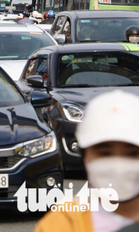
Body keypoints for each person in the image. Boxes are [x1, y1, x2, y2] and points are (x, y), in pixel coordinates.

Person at [35, 90, 139, 231]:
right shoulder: (62, 224)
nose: (117, 165)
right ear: (84, 156)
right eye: (104, 153)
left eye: (132, 153)